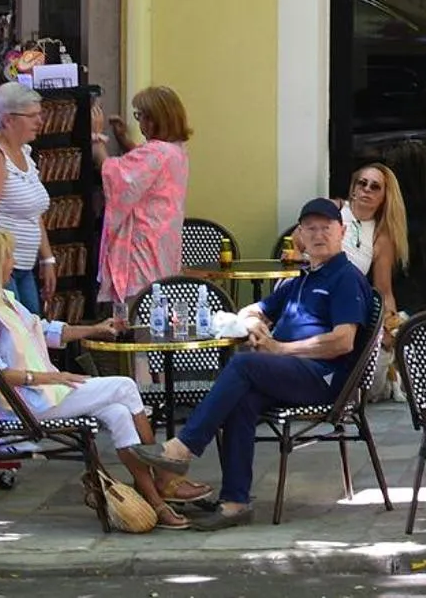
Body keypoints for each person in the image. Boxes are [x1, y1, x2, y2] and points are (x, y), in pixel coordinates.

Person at [129, 199, 372, 530]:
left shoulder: (344, 277)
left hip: (324, 377)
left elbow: (343, 341)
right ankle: (235, 502)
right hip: (291, 373)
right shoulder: (298, 280)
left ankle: (183, 447)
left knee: (245, 365)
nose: (318, 235)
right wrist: (253, 322)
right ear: (299, 235)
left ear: (341, 232)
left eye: (326, 228)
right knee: (240, 400)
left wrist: (281, 349)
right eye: (310, 228)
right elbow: (253, 309)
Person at [0, 228, 202, 530]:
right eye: (8, 257)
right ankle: (166, 478)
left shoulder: (6, 301)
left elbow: (45, 331)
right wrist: (51, 378)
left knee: (120, 413)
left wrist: (96, 328)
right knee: (124, 386)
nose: (13, 263)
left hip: (45, 395)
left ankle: (156, 502)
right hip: (28, 404)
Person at [92, 85, 191, 309]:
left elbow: (118, 176)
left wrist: (96, 138)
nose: (140, 122)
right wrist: (125, 140)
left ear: (155, 119)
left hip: (142, 246)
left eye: (142, 116)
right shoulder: (176, 151)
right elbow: (145, 171)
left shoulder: (156, 152)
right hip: (163, 243)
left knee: (140, 312)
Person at [0, 82, 56, 316]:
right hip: (2, 268)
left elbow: (33, 213)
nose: (39, 121)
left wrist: (47, 258)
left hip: (23, 265)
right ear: (9, 120)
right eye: (32, 116)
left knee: (31, 327)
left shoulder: (25, 153)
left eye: (39, 114)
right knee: (19, 332)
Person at [338, 162, 408, 320]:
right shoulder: (333, 210)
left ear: (384, 197)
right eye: (362, 183)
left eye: (375, 187)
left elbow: (383, 292)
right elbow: (293, 245)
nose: (367, 189)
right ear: (353, 189)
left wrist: (392, 327)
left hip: (344, 302)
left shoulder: (380, 237)